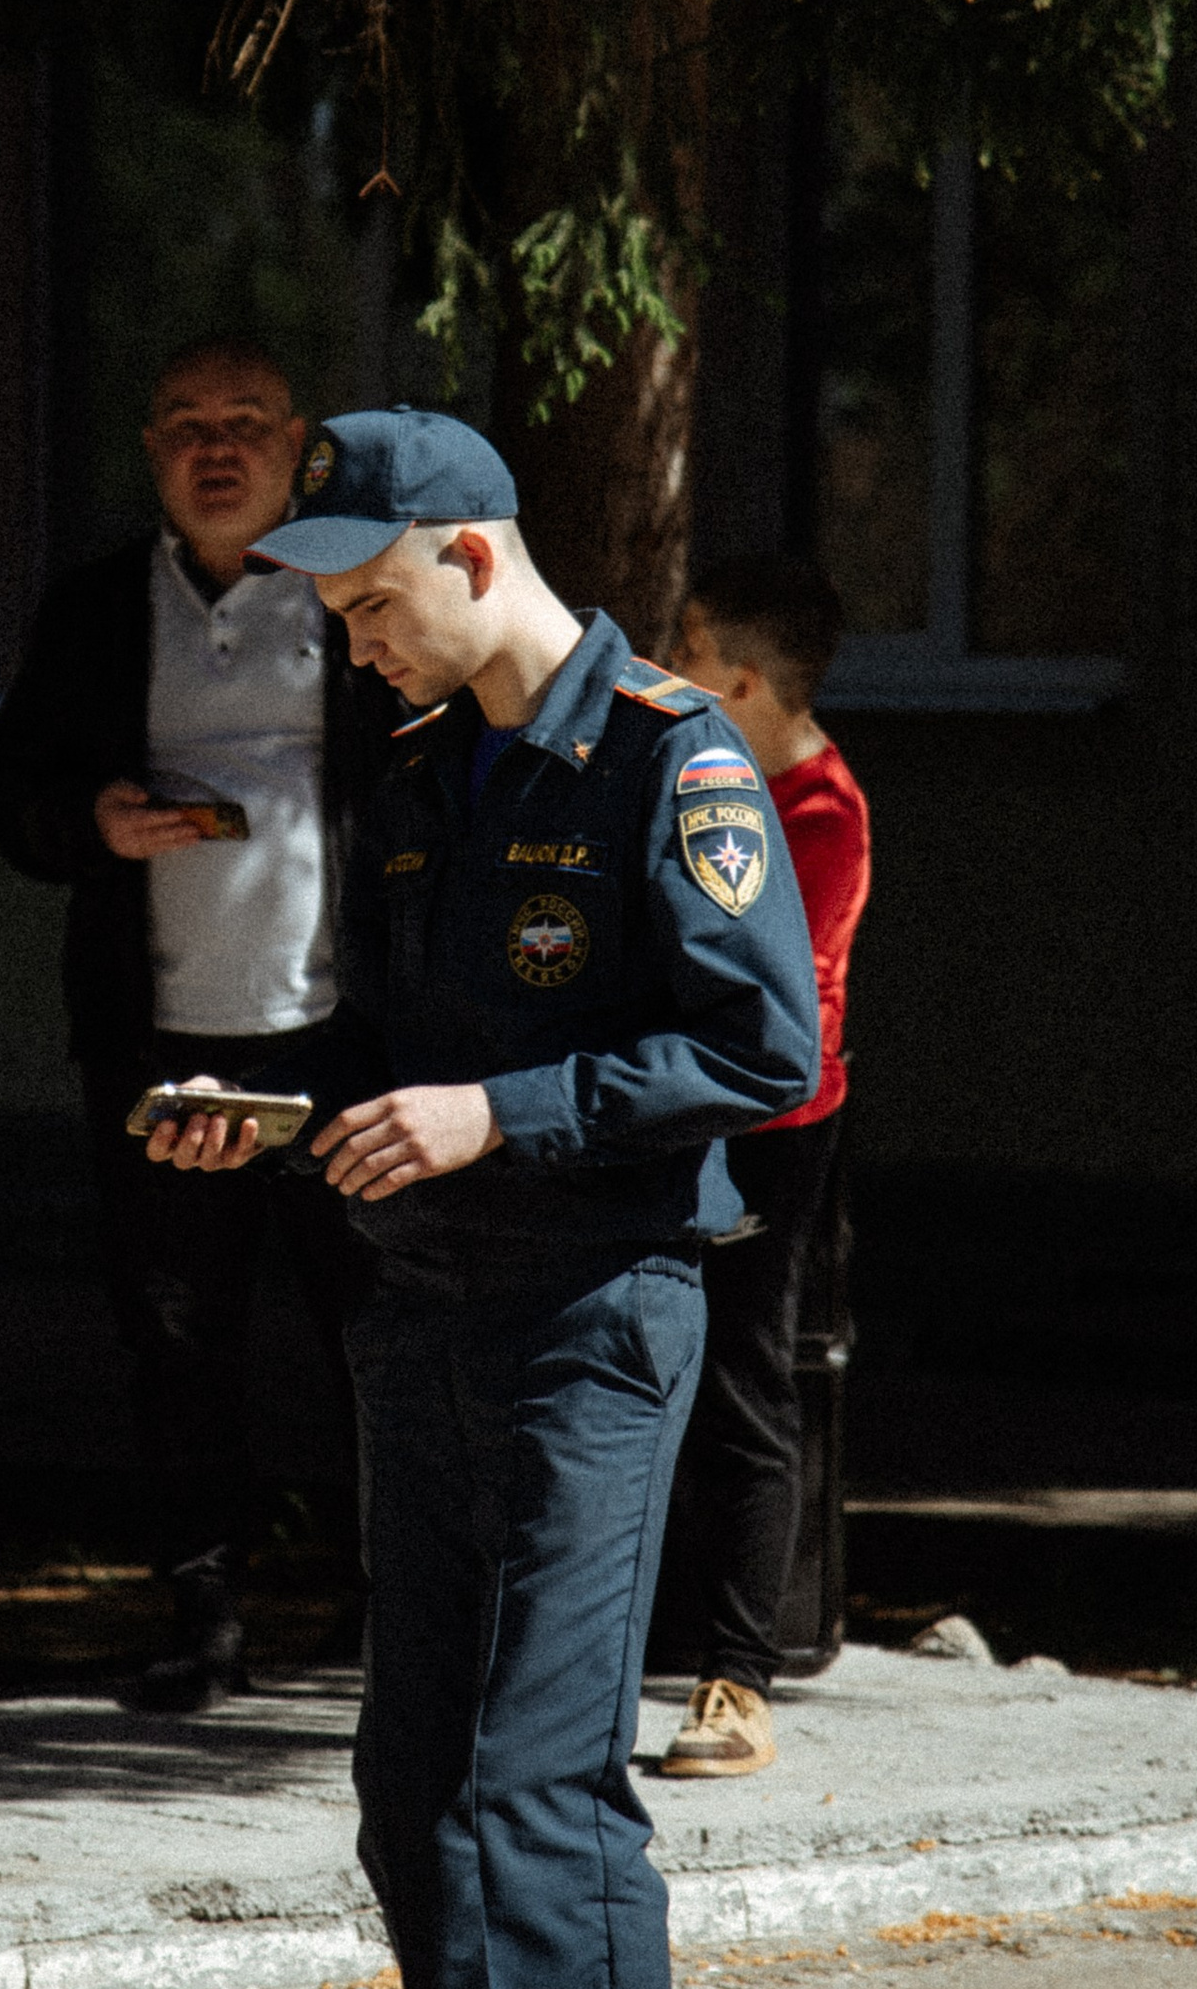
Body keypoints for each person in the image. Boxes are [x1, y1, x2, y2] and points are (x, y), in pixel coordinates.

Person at [152, 408, 820, 1989]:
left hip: (585, 1318)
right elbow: (401, 1055)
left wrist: (498, 1116)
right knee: (415, 1795)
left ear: (471, 553)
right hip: (423, 1315)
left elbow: (763, 1047)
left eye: (376, 608)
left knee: (532, 1794)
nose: (361, 649)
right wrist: (271, 1117)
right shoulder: (425, 770)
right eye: (338, 624)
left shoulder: (671, 752)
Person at [0, 338, 399, 1708]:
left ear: (297, 447)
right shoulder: (99, 606)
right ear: (153, 454)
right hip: (160, 1042)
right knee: (176, 1337)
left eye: (247, 426)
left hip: (345, 1039)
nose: (218, 451)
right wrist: (89, 818)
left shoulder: (349, 595)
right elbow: (15, 787)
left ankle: (389, 1603)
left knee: (374, 1331)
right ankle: (202, 1615)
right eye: (186, 429)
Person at [654, 554, 872, 1780]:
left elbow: (768, 1017)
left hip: (766, 1144)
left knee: (743, 1391)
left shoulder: (818, 818)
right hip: (684, 1126)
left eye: (683, 650)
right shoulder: (716, 777)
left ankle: (738, 1678)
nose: (663, 667)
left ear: (738, 681)